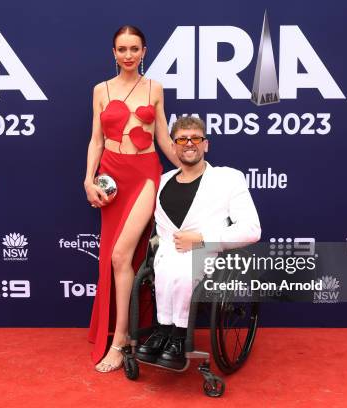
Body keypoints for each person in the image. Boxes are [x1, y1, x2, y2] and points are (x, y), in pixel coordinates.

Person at [84, 25, 181, 372]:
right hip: (111, 175)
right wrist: (87, 180)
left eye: (134, 49)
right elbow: (96, 140)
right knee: (115, 258)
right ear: (114, 52)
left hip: (144, 175)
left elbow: (164, 139)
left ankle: (120, 338)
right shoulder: (101, 90)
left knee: (121, 255)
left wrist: (193, 163)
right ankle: (122, 330)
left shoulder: (155, 88)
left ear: (144, 51)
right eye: (122, 49)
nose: (128, 55)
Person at [135, 116, 261, 369]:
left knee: (183, 271)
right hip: (168, 253)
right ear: (173, 146)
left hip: (208, 252)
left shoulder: (228, 178)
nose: (189, 143)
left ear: (206, 144)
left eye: (195, 138)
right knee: (167, 268)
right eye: (181, 139)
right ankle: (163, 331)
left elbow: (251, 229)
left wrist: (202, 239)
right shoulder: (162, 182)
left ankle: (179, 336)